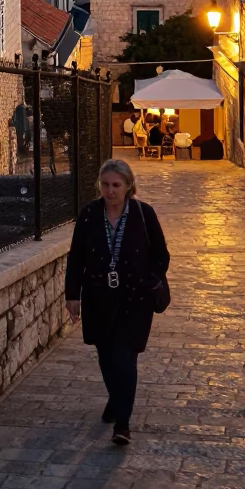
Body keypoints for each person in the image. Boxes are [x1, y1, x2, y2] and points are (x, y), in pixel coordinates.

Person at [65, 159, 170, 446]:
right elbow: (76, 258)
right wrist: (72, 295)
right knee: (106, 357)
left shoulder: (143, 214)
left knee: (125, 359)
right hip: (99, 297)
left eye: (116, 185)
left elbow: (162, 256)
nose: (110, 191)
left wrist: (148, 279)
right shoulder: (89, 215)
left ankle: (122, 423)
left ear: (128, 187)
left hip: (134, 299)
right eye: (105, 185)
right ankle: (116, 397)